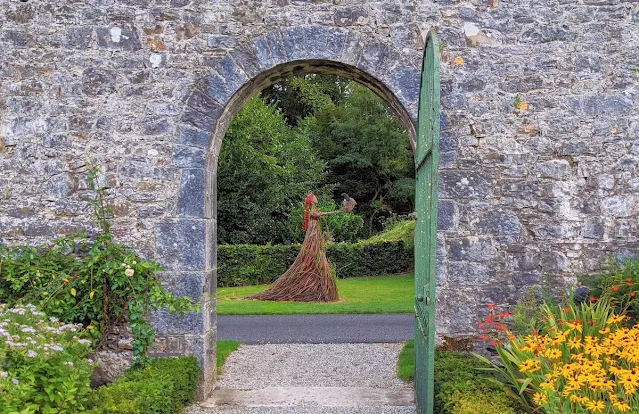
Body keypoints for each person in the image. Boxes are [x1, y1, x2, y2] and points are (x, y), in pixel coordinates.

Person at [247, 193, 345, 302]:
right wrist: (338, 211)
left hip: (315, 237)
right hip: (312, 237)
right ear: (311, 200)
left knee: (316, 256)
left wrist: (340, 211)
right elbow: (319, 214)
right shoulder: (313, 211)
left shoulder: (314, 210)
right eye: (314, 197)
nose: (316, 198)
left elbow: (320, 215)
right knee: (312, 256)